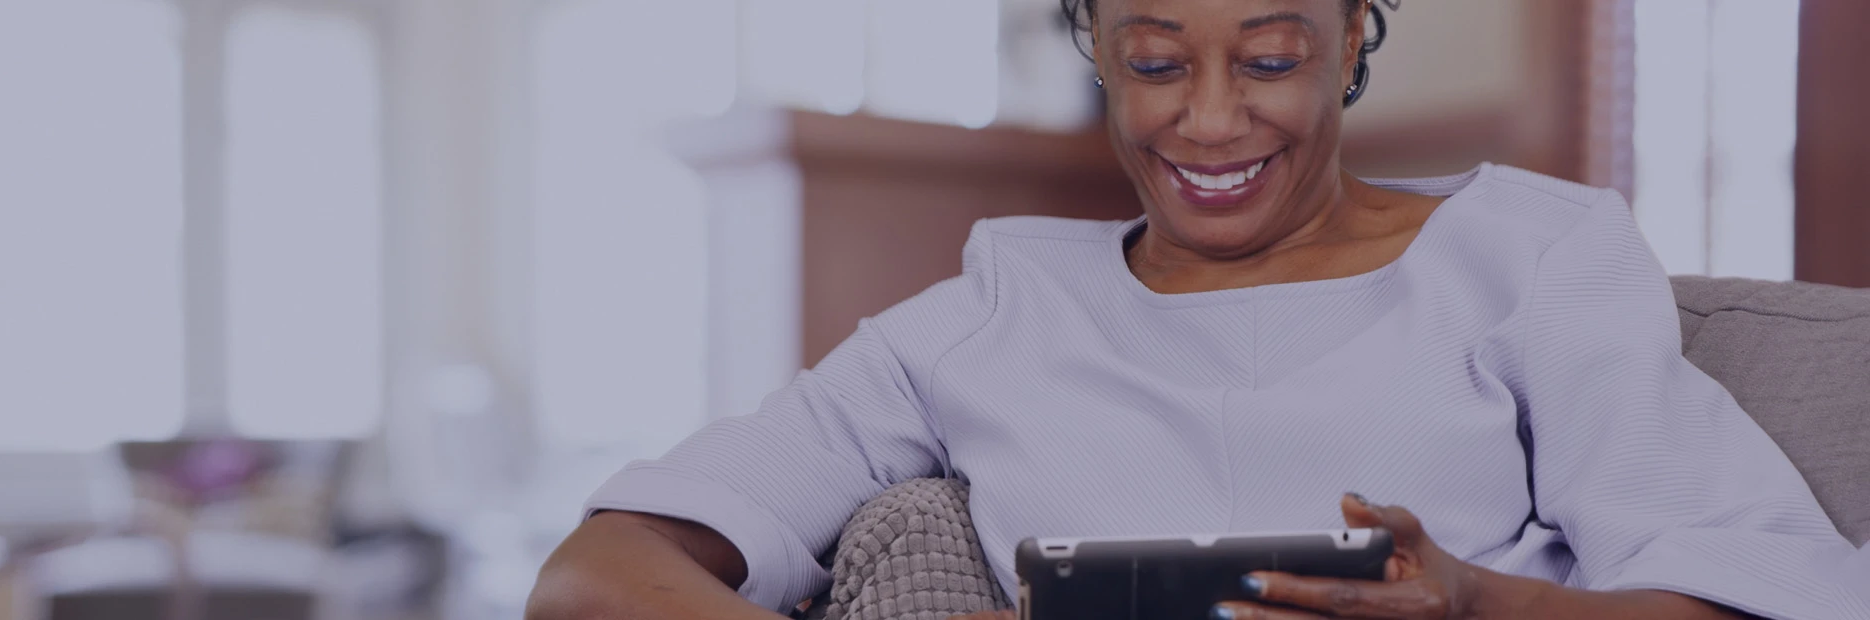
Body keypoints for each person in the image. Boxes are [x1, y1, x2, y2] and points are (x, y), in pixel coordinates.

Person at [525, 0, 1869, 618]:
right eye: (1155, 62)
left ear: (1353, 42)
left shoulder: (1532, 253)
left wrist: (1474, 606)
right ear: (1101, 60)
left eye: (1271, 58)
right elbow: (598, 577)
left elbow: (1755, 598)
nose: (1210, 120)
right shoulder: (993, 307)